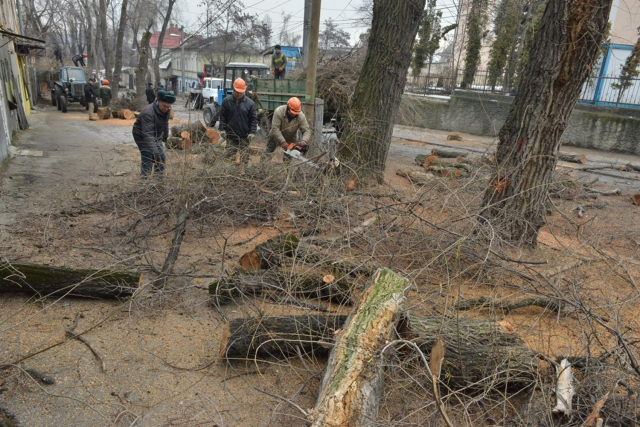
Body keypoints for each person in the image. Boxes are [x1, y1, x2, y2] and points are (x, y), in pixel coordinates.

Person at [131, 90, 176, 177]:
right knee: (148, 156)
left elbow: (165, 122)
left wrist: (165, 135)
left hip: (155, 135)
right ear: (158, 101)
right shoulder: (148, 113)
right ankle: (145, 182)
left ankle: (158, 181)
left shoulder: (166, 110)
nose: (166, 109)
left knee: (161, 158)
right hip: (142, 136)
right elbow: (147, 134)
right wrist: (155, 152)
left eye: (168, 107)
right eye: (164, 106)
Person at [218, 78, 257, 165]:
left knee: (245, 158)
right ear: (234, 89)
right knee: (229, 157)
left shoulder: (250, 104)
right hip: (231, 134)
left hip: (244, 135)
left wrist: (252, 132)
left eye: (241, 92)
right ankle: (230, 173)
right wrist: (222, 129)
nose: (239, 94)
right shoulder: (226, 102)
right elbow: (222, 116)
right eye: (237, 91)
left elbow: (253, 119)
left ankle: (244, 173)